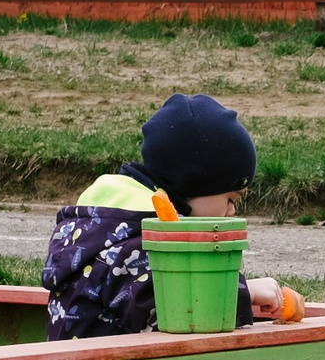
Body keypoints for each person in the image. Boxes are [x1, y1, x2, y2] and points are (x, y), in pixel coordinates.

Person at [43, 93, 302, 340]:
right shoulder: (134, 242)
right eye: (231, 198)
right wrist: (245, 293)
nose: (232, 211)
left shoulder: (112, 227)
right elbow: (168, 310)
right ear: (196, 183)